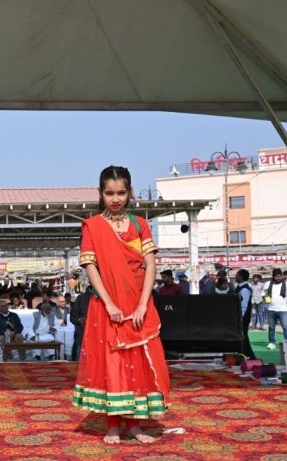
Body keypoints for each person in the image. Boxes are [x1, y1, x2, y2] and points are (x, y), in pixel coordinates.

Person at [73, 165, 170, 445]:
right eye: (109, 193)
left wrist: (142, 305)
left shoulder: (140, 224)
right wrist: (109, 303)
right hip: (107, 306)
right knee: (112, 364)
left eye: (121, 193)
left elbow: (150, 265)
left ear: (129, 193)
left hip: (138, 303)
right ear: (100, 193)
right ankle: (113, 425)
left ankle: (136, 425)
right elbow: (90, 266)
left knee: (139, 363)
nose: (115, 199)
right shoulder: (92, 226)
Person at [264, 268, 287, 350]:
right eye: (277, 276)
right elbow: (264, 294)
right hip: (271, 309)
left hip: (283, 310)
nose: (279, 278)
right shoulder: (267, 284)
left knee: (285, 327)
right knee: (271, 327)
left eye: (280, 276)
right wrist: (267, 300)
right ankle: (272, 342)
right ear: (273, 276)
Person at [234, 269, 256, 359]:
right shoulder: (240, 287)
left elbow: (244, 305)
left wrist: (240, 317)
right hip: (240, 316)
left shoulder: (244, 289)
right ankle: (244, 354)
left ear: (241, 276)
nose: (235, 277)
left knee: (243, 336)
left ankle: (249, 356)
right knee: (242, 336)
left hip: (243, 317)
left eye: (237, 275)